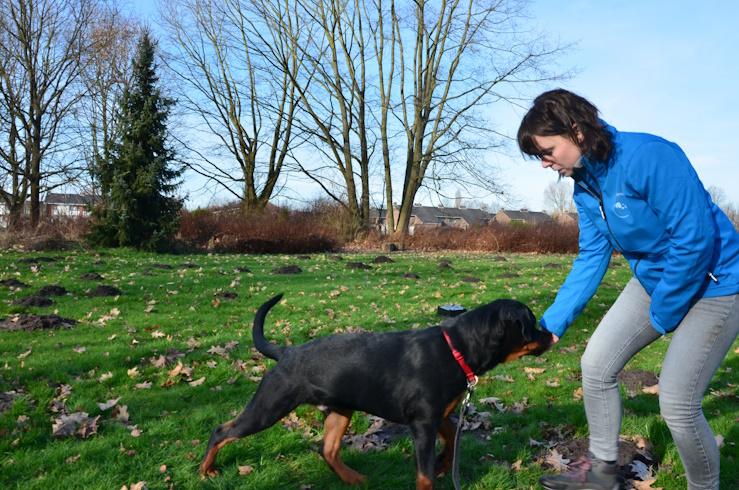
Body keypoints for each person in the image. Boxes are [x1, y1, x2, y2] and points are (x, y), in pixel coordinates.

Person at [517, 89, 739, 490]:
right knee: (596, 365)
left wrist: (663, 314)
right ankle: (602, 476)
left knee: (677, 403)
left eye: (547, 151)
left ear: (576, 131)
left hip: (716, 283)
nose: (545, 163)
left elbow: (694, 240)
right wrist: (550, 326)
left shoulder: (649, 157)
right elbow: (591, 257)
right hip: (655, 281)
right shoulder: (585, 187)